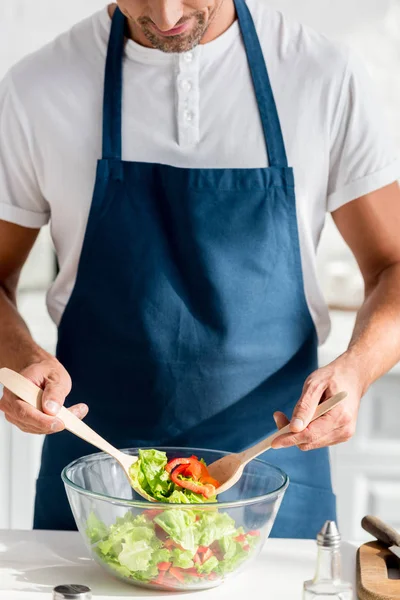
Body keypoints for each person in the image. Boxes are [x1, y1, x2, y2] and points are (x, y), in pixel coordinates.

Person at [1, 0, 400, 538]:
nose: (165, 15)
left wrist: (358, 368)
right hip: (99, 484)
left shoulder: (322, 76)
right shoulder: (38, 88)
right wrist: (20, 359)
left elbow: (393, 264)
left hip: (273, 472)